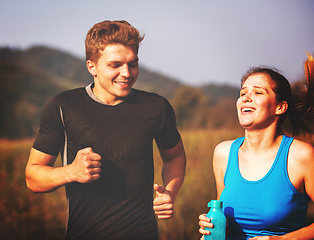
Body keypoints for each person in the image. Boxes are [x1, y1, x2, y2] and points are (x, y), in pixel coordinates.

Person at [25, 20, 186, 240]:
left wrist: (170, 192)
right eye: (115, 65)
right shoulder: (63, 106)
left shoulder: (156, 107)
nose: (126, 73)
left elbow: (174, 156)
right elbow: (32, 177)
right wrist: (70, 172)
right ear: (92, 66)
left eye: (132, 64)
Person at [199, 66, 314, 239]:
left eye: (258, 93)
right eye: (243, 93)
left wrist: (281, 239)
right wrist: (214, 224)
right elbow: (222, 215)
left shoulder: (301, 156)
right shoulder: (223, 153)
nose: (246, 98)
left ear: (280, 107)